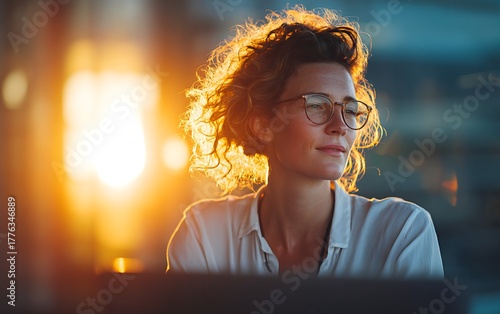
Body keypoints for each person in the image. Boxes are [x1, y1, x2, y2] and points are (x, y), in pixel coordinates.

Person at [166, 6, 444, 278]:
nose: (339, 126)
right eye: (317, 106)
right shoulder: (204, 233)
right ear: (262, 125)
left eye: (349, 110)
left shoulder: (402, 231)